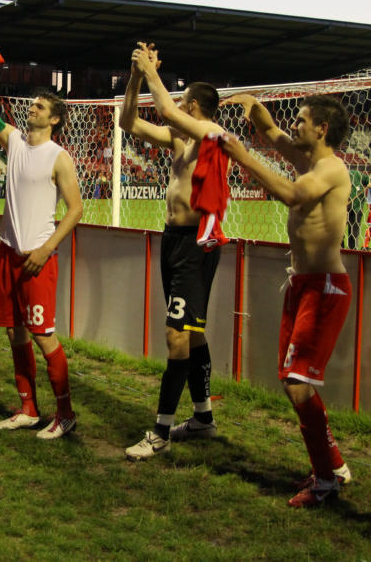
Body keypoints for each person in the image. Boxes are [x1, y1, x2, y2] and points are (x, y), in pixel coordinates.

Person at [219, 92, 353, 508]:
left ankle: (326, 480)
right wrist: (252, 105)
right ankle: (332, 464)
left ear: (321, 129)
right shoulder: (309, 160)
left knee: (298, 384)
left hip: (325, 287)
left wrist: (243, 157)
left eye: (301, 120)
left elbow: (293, 196)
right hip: (302, 283)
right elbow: (272, 131)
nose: (294, 125)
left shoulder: (329, 168)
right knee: (291, 380)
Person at [0, 49, 83, 440]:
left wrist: (47, 249)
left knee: (44, 334)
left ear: (55, 119)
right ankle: (28, 407)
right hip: (9, 253)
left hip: (38, 256)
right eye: (32, 104)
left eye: (41, 106)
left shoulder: (59, 157)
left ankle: (65, 414)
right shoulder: (12, 141)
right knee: (14, 332)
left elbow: (76, 209)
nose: (33, 108)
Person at [118, 44, 226, 460]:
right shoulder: (182, 142)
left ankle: (160, 432)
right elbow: (129, 122)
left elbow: (164, 109)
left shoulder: (213, 135)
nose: (176, 107)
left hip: (196, 243)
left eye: (183, 103)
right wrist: (134, 77)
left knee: (176, 335)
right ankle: (202, 419)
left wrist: (150, 73)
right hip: (175, 242)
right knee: (190, 331)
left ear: (194, 106)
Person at [345, 167, 369, 250]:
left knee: (354, 230)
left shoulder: (357, 175)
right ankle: (340, 248)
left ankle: (353, 249)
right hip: (343, 208)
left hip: (357, 207)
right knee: (339, 230)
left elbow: (370, 180)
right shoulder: (337, 179)